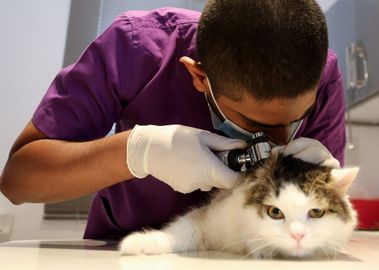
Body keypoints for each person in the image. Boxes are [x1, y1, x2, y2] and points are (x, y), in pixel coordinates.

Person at [0, 0, 346, 240]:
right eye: (255, 122)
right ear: (199, 77)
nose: (280, 141)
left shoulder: (323, 74)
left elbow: (319, 221)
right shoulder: (135, 46)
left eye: (296, 119)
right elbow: (18, 180)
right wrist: (139, 152)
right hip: (126, 251)